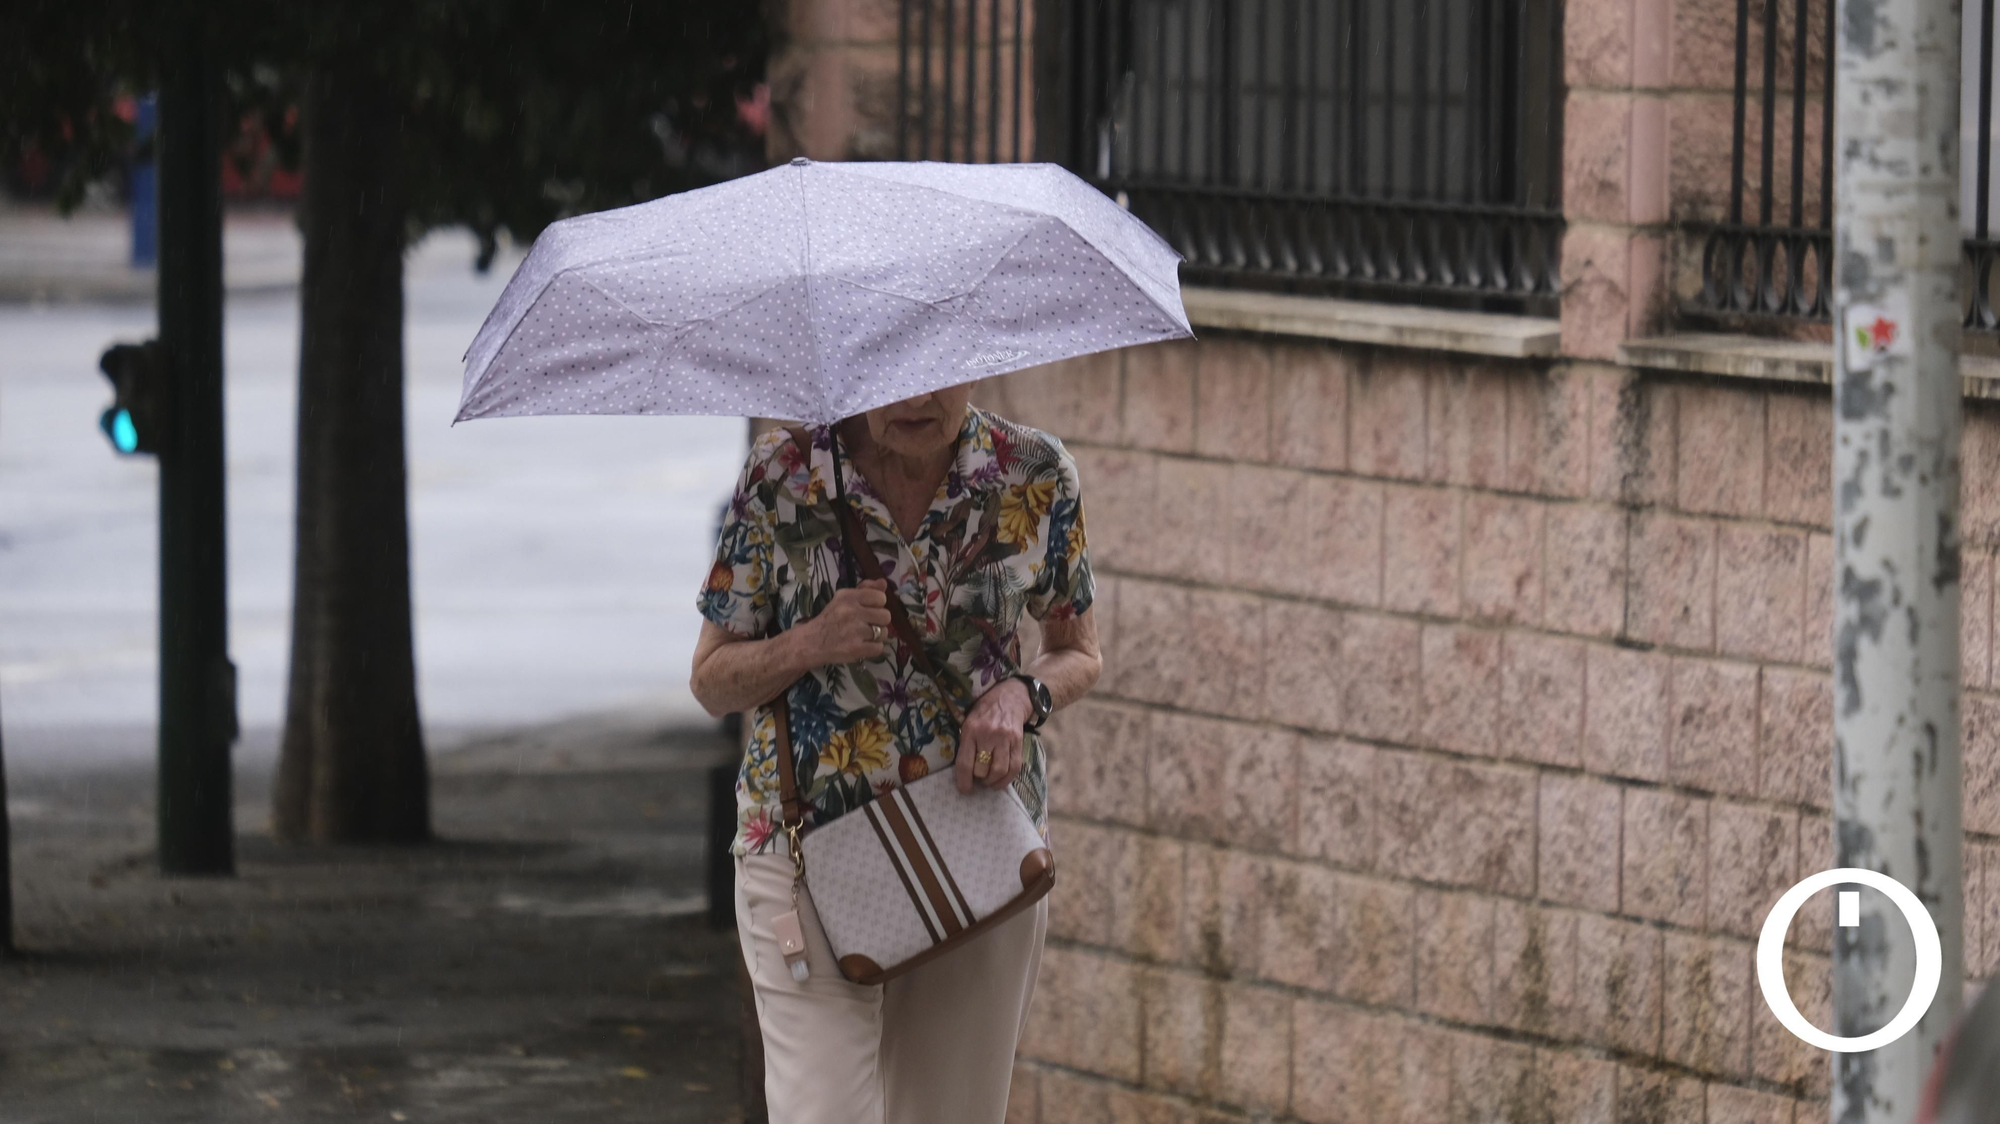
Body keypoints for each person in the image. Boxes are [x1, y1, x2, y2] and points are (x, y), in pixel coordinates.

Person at [689, 384, 1101, 1124]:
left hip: (971, 848)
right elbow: (713, 680)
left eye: (939, 367)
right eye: (891, 370)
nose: (916, 396)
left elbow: (1076, 652)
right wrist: (809, 641)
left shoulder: (1033, 473)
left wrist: (1018, 698)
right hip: (803, 845)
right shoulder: (784, 475)